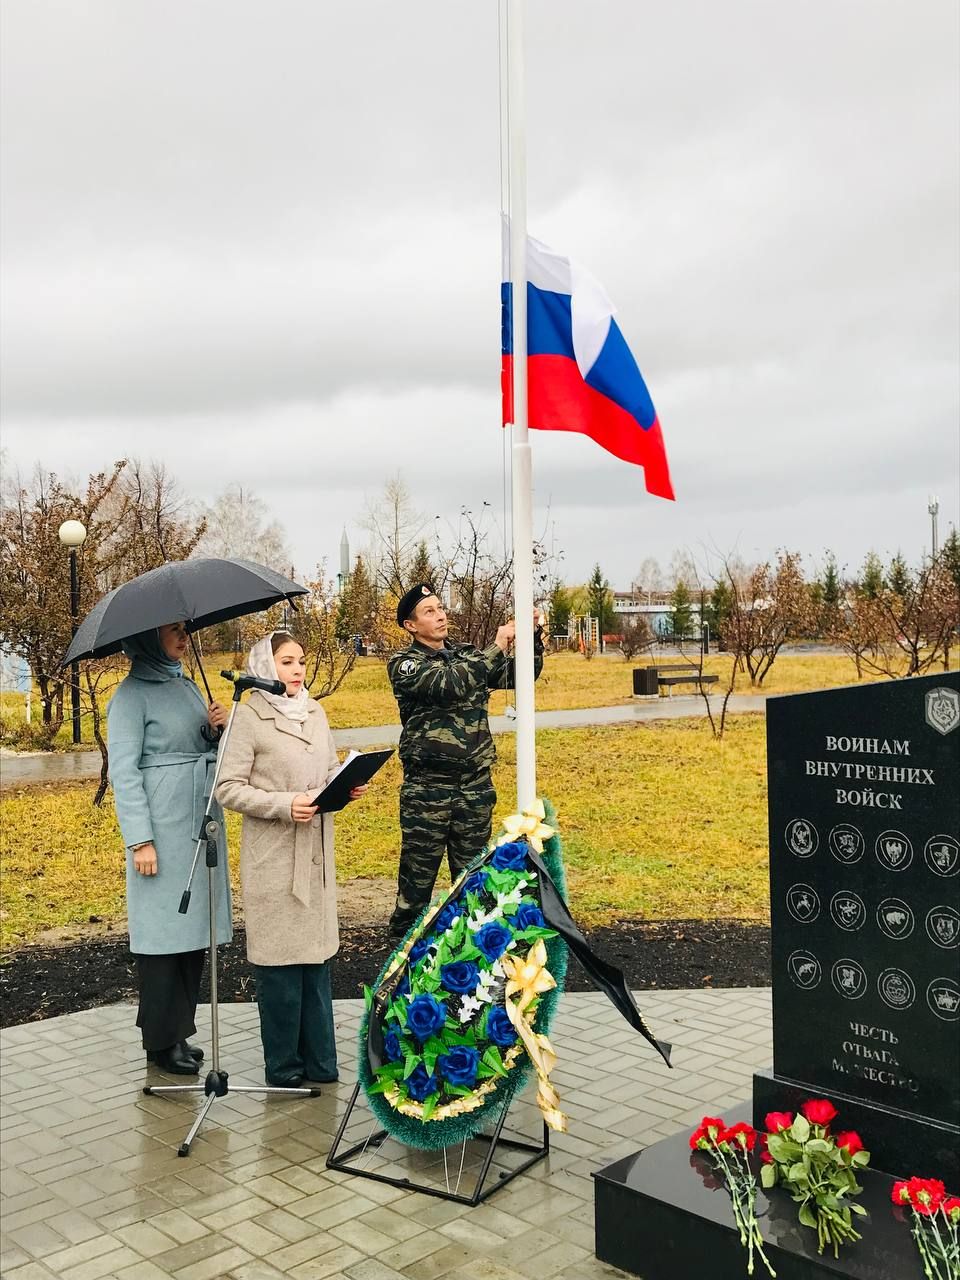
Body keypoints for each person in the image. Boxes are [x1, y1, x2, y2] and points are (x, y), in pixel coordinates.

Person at [215, 631, 366, 1088]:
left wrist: (344, 784)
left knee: (317, 962)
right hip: (275, 857)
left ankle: (321, 1064)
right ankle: (283, 1069)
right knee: (281, 968)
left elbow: (326, 769)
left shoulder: (315, 711)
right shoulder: (248, 717)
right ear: (265, 665)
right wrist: (285, 804)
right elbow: (226, 788)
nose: (297, 669)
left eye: (300, 660)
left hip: (316, 853)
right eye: (286, 661)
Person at [386, 584, 544, 938]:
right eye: (429, 611)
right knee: (415, 890)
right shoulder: (406, 664)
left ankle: (469, 965)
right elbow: (449, 684)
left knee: (474, 887)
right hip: (428, 793)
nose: (440, 615)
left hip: (474, 790)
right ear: (410, 625)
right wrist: (498, 644)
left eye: (440, 608)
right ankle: (400, 971)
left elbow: (521, 677)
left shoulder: (467, 656)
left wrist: (531, 636)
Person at [107, 622, 231, 1075]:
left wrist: (216, 729)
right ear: (144, 638)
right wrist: (140, 840)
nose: (185, 639)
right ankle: (160, 1043)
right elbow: (124, 773)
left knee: (190, 934)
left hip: (198, 822)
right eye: (174, 632)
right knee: (161, 939)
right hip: (160, 831)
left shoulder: (187, 684)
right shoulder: (129, 697)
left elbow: (197, 744)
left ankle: (177, 1030)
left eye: (185, 630)